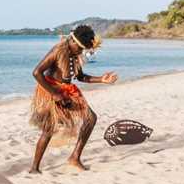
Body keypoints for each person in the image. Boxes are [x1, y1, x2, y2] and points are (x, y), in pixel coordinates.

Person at [29, 25, 118, 173]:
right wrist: (55, 94)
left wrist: (102, 79)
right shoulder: (58, 51)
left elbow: (81, 77)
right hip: (51, 90)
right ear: (74, 42)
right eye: (81, 48)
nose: (81, 52)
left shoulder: (75, 54)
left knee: (91, 118)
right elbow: (37, 72)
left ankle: (75, 157)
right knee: (48, 130)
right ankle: (34, 168)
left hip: (67, 91)